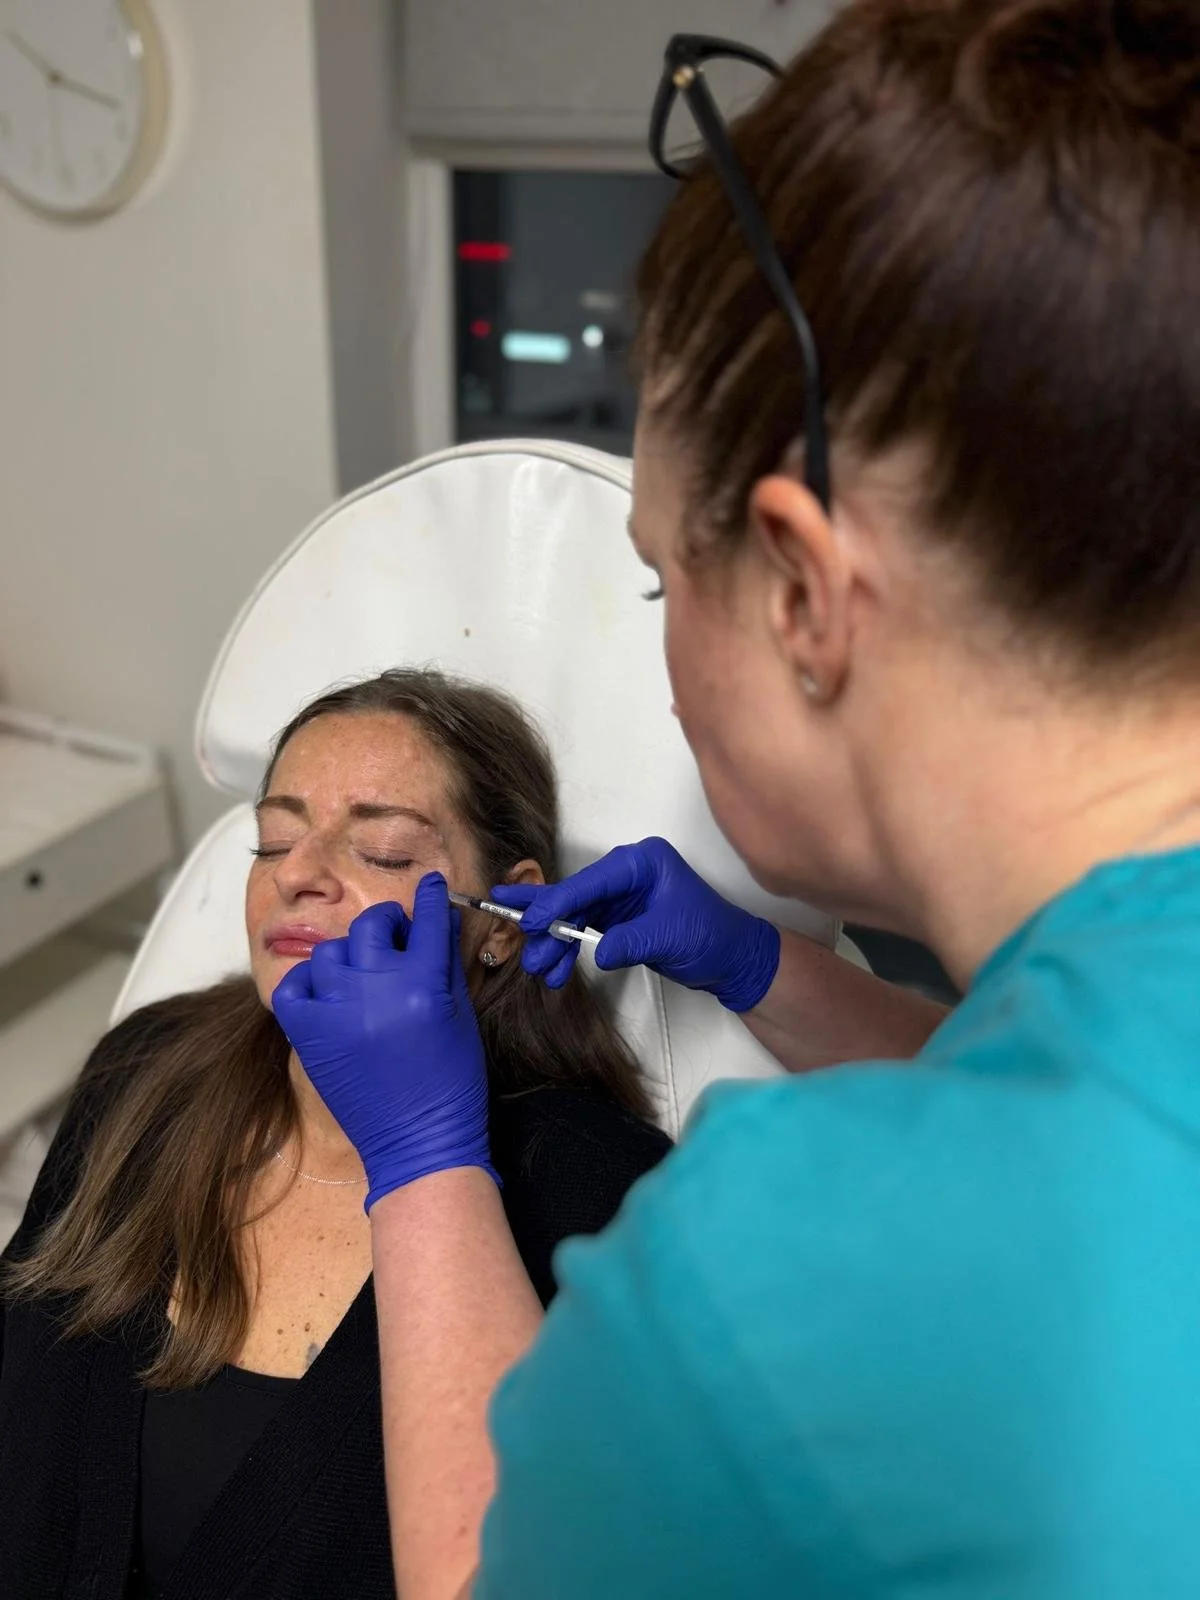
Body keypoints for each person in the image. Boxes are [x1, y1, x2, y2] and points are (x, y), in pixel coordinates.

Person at [268, 0, 1200, 1595]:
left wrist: (426, 1165)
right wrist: (766, 964)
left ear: (802, 597)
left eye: (658, 583)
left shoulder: (773, 1286)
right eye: (283, 836)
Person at [0, 669, 675, 1600]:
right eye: (274, 838)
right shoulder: (143, 1074)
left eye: (386, 852)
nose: (297, 873)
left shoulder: (606, 1200)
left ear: (503, 924)